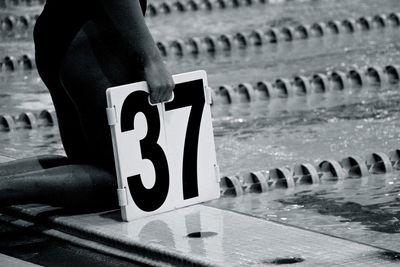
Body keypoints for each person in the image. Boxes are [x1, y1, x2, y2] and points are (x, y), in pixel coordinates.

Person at [0, 0, 174, 210]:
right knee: (125, 180)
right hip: (94, 41)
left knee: (87, 164)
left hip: (62, 33)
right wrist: (151, 59)